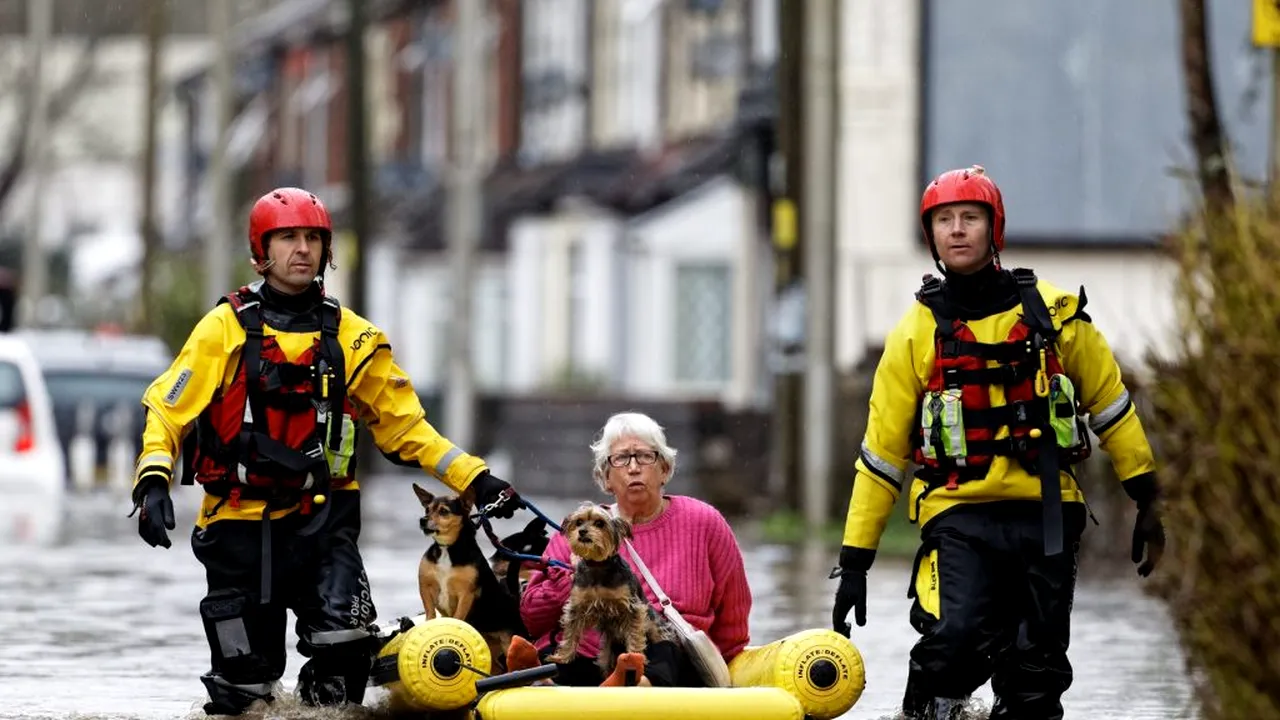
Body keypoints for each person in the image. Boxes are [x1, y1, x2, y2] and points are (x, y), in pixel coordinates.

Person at [129, 187, 521, 716]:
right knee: (242, 689)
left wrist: (477, 479)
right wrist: (153, 477)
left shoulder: (356, 339)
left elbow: (409, 430)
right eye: (288, 237)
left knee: (345, 653)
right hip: (238, 524)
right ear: (260, 252)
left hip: (324, 523)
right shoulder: (222, 328)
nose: (303, 249)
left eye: (313, 238)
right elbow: (167, 408)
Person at [829, 166, 1166, 720]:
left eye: (970, 218)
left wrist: (1148, 496)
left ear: (994, 229)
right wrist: (855, 561)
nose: (957, 230)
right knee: (954, 641)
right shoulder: (914, 335)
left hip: (1048, 514)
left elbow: (1112, 407)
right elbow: (882, 456)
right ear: (931, 235)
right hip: (959, 514)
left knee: (1036, 673)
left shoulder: (1057, 317)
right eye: (944, 220)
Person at [512, 411, 751, 687]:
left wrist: (723, 667)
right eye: (621, 459)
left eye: (645, 456)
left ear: (664, 470)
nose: (634, 467)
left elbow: (733, 620)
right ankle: (548, 679)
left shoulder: (704, 522)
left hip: (666, 655)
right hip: (589, 655)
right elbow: (532, 618)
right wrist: (570, 576)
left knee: (665, 647)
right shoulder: (578, 531)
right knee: (571, 652)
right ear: (606, 477)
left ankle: (632, 684)